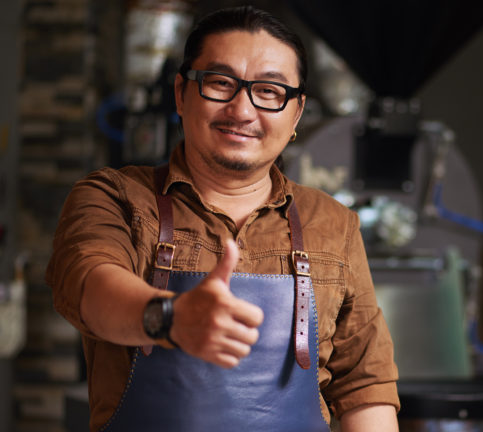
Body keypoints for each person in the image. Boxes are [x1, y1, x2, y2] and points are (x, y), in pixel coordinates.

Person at [46, 6, 399, 431]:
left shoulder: (334, 223)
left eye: (269, 91)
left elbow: (365, 387)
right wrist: (169, 318)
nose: (242, 110)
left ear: (296, 113)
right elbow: (92, 287)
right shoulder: (114, 197)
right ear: (181, 93)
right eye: (220, 83)